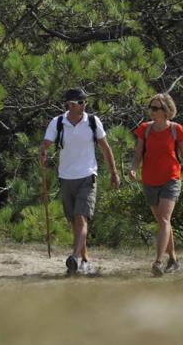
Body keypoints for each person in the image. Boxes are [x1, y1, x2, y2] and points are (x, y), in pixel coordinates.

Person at [39, 88, 120, 275]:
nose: (84, 106)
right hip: (65, 177)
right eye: (80, 103)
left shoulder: (92, 121)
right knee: (75, 223)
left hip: (88, 176)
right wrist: (42, 151)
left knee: (81, 218)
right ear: (70, 104)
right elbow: (46, 144)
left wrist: (114, 173)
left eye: (85, 102)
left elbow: (105, 149)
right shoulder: (58, 122)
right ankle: (84, 260)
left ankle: (74, 257)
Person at [129, 93, 183, 277]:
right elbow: (138, 154)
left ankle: (158, 261)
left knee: (165, 219)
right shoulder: (145, 129)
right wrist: (134, 169)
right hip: (150, 180)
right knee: (162, 222)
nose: (152, 111)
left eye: (156, 108)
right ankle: (174, 259)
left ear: (166, 110)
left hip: (171, 179)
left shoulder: (176, 130)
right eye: (151, 107)